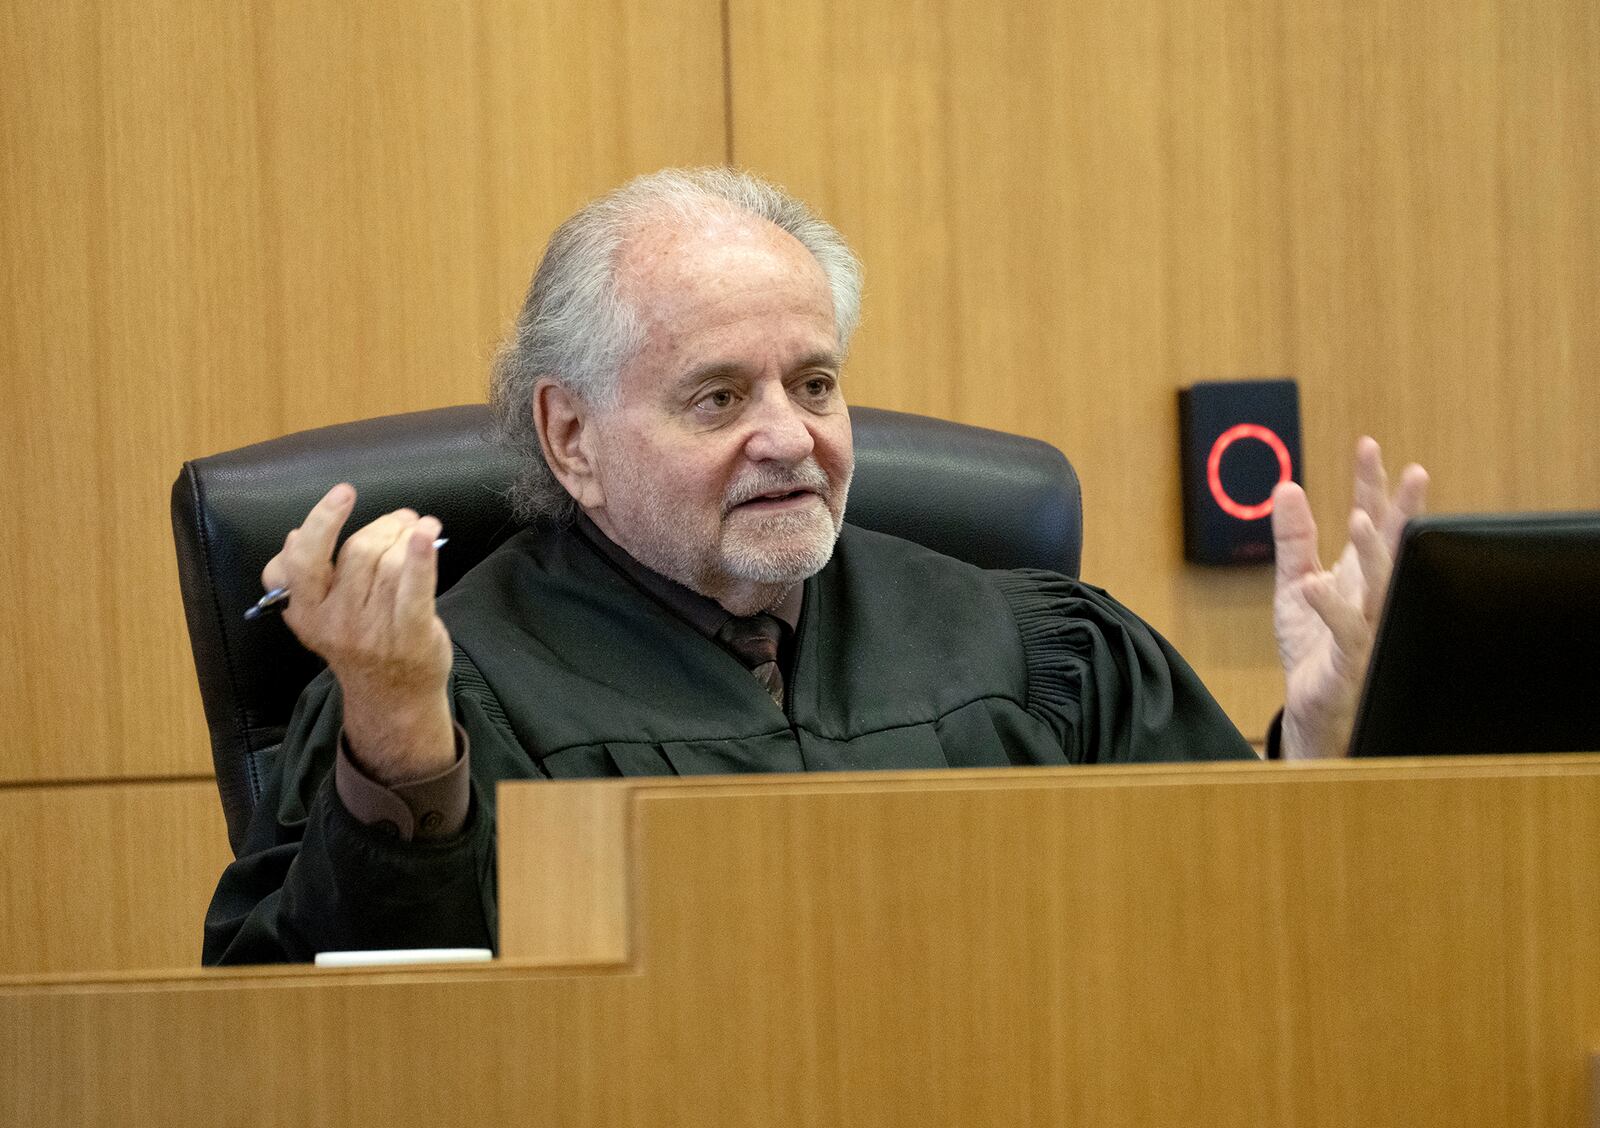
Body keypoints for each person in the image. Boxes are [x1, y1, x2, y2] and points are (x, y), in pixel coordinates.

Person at [203, 169, 1428, 964]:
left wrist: (1318, 750)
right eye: (718, 396)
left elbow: (1240, 939)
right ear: (570, 437)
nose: (790, 437)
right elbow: (343, 1056)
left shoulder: (1030, 647)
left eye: (817, 383)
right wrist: (402, 741)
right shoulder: (445, 690)